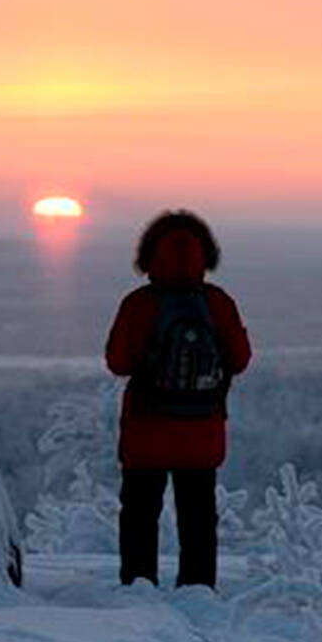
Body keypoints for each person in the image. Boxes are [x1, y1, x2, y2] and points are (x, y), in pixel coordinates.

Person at [104, 210, 251, 589]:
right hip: (202, 430)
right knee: (199, 517)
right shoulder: (218, 303)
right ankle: (198, 590)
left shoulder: (139, 304)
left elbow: (117, 363)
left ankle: (139, 587)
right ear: (206, 254)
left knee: (139, 514)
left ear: (149, 253)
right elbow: (241, 359)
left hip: (146, 430)